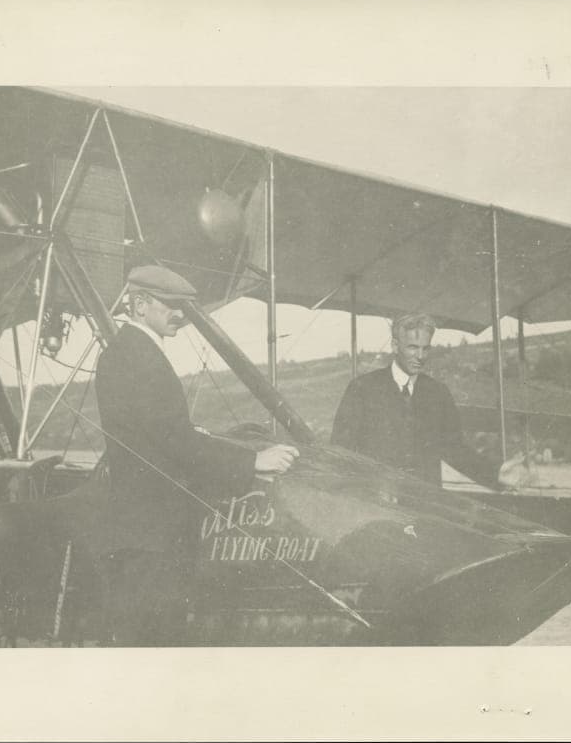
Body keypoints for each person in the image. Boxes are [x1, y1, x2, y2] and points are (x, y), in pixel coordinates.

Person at [94, 264, 299, 646]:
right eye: (171, 305)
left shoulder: (128, 352)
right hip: (152, 538)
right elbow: (173, 440)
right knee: (153, 646)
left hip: (146, 532)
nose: (180, 315)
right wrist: (253, 461)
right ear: (140, 305)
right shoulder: (138, 356)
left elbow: (157, 435)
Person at [331, 312, 531, 492]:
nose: (419, 356)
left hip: (428, 505)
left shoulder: (438, 393)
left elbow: (454, 448)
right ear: (394, 346)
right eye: (412, 347)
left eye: (425, 349)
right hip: (377, 504)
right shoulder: (363, 388)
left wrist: (495, 473)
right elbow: (341, 451)